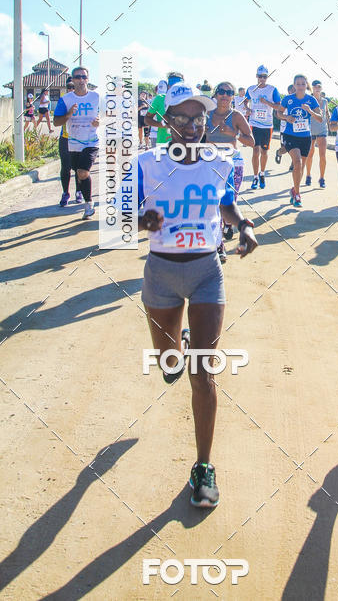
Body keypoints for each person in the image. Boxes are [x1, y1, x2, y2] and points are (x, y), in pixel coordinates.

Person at [138, 82, 257, 507]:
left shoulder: (220, 161)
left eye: (199, 118)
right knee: (170, 364)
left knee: (204, 373)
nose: (191, 126)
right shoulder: (145, 164)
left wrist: (243, 225)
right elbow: (125, 220)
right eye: (182, 118)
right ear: (167, 120)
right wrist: (145, 220)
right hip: (161, 275)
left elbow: (226, 202)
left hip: (208, 271)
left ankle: (203, 467)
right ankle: (175, 351)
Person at [206, 81, 254, 258]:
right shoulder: (206, 115)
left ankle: (226, 225)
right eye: (221, 91)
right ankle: (219, 246)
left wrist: (234, 134)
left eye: (228, 92)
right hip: (210, 163)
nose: (224, 95)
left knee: (228, 203)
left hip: (233, 164)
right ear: (215, 94)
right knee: (214, 205)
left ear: (233, 96)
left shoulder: (236, 116)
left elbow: (251, 141)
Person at [53, 66, 100, 219]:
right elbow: (56, 122)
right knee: (77, 172)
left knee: (82, 172)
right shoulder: (66, 100)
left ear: (88, 79)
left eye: (84, 77)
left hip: (91, 141)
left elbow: (110, 115)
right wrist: (68, 114)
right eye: (77, 77)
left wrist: (101, 122)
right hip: (72, 142)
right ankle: (74, 193)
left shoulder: (97, 97)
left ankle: (89, 205)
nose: (81, 80)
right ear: (72, 80)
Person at [277, 74, 322, 207]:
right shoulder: (288, 99)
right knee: (296, 162)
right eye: (298, 84)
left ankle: (294, 190)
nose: (301, 86)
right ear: (294, 85)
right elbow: (278, 113)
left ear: (306, 85)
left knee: (300, 166)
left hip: (305, 137)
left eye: (303, 84)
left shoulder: (311, 100)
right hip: (290, 135)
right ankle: (297, 194)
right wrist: (286, 117)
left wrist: (310, 111)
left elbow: (320, 118)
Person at [244, 66, 281, 189]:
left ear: (267, 77)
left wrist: (266, 103)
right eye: (260, 76)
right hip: (254, 124)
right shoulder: (251, 89)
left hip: (267, 125)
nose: (262, 79)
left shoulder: (272, 90)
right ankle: (255, 177)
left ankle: (262, 173)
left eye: (264, 76)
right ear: (256, 76)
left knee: (264, 152)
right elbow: (245, 101)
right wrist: (248, 109)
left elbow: (278, 107)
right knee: (255, 151)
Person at [58, 78, 83, 207]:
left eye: (73, 87)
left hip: (79, 139)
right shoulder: (63, 101)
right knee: (65, 168)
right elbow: (57, 121)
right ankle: (65, 193)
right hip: (65, 138)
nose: (71, 89)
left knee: (78, 168)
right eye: (69, 87)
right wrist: (68, 113)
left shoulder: (84, 102)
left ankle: (79, 191)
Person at [146, 74, 182, 146]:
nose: (174, 88)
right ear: (168, 86)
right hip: (163, 143)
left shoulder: (189, 100)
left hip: (183, 143)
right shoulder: (160, 98)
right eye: (172, 85)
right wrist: (161, 125)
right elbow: (147, 119)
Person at [305, 80, 329, 188]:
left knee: (323, 155)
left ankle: (322, 178)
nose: (317, 88)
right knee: (310, 154)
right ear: (312, 88)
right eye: (315, 86)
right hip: (310, 130)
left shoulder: (325, 101)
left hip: (322, 130)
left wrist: (330, 121)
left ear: (321, 88)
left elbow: (327, 113)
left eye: (319, 86)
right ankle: (308, 175)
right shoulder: (308, 100)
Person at [275, 84, 295, 170]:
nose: (295, 91)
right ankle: (279, 152)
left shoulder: (300, 101)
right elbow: (277, 114)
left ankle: (293, 164)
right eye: (293, 90)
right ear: (289, 91)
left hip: (296, 130)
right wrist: (286, 118)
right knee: (285, 149)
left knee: (296, 148)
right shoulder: (285, 100)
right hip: (285, 129)